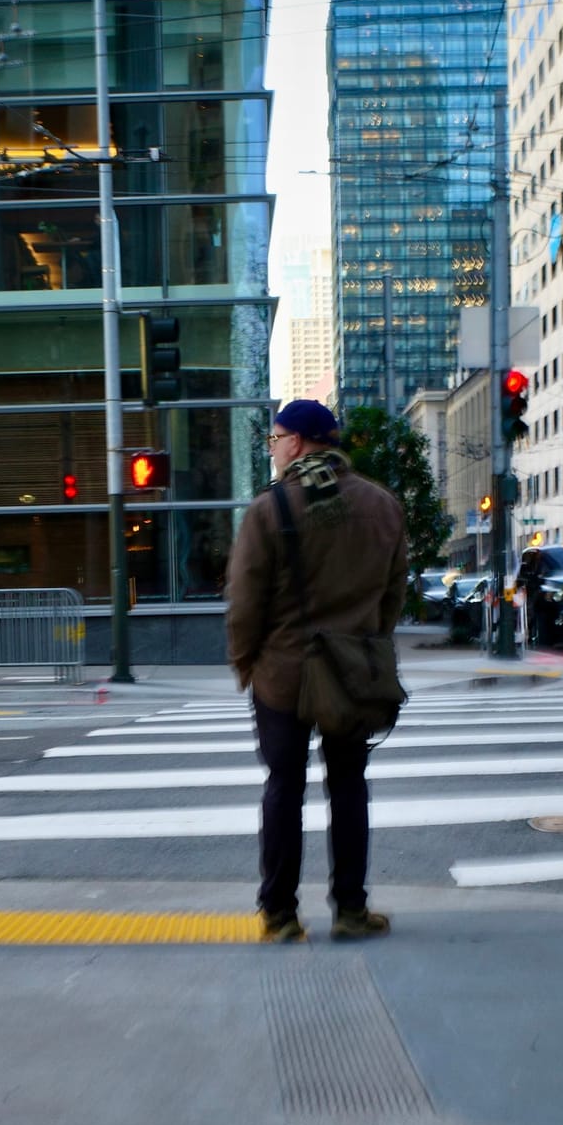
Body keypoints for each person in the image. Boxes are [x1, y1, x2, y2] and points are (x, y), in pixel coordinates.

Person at [225, 399, 408, 943]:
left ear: (298, 442)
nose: (275, 448)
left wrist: (246, 664)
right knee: (349, 786)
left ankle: (280, 915)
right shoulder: (383, 506)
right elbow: (393, 594)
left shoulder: (271, 508)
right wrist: (364, 642)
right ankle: (351, 910)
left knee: (284, 788)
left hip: (283, 675)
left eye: (276, 438)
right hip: (352, 673)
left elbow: (244, 602)